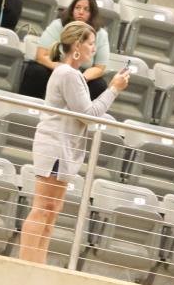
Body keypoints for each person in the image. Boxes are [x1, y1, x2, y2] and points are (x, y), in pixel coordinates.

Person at [18, 21, 130, 264]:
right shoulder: (68, 74)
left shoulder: (71, 74)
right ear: (77, 45)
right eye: (91, 43)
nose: (94, 49)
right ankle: (26, 264)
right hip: (56, 148)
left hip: (64, 148)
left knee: (51, 210)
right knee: (43, 208)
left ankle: (38, 264)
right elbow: (89, 114)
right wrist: (113, 89)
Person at [19, 0, 110, 101]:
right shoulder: (58, 25)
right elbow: (41, 56)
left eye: (86, 9)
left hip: (81, 75)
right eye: (77, 8)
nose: (81, 12)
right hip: (54, 68)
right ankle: (26, 106)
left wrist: (82, 78)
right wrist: (64, 71)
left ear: (92, 13)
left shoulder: (101, 34)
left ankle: (81, 112)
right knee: (36, 71)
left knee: (99, 85)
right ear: (72, 10)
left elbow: (99, 68)